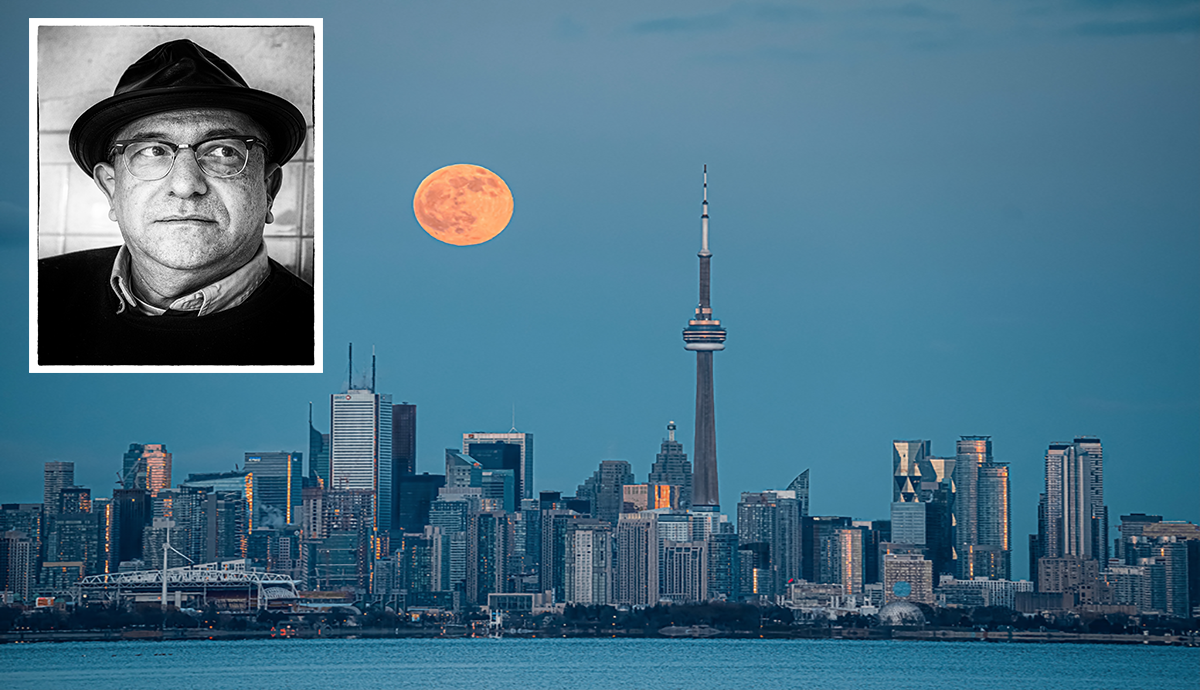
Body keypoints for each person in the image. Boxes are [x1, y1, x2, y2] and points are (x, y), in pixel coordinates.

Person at [38, 38, 313, 366]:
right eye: (152, 151)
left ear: (268, 188)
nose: (185, 185)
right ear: (111, 188)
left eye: (223, 151)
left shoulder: (323, 333)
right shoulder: (31, 297)